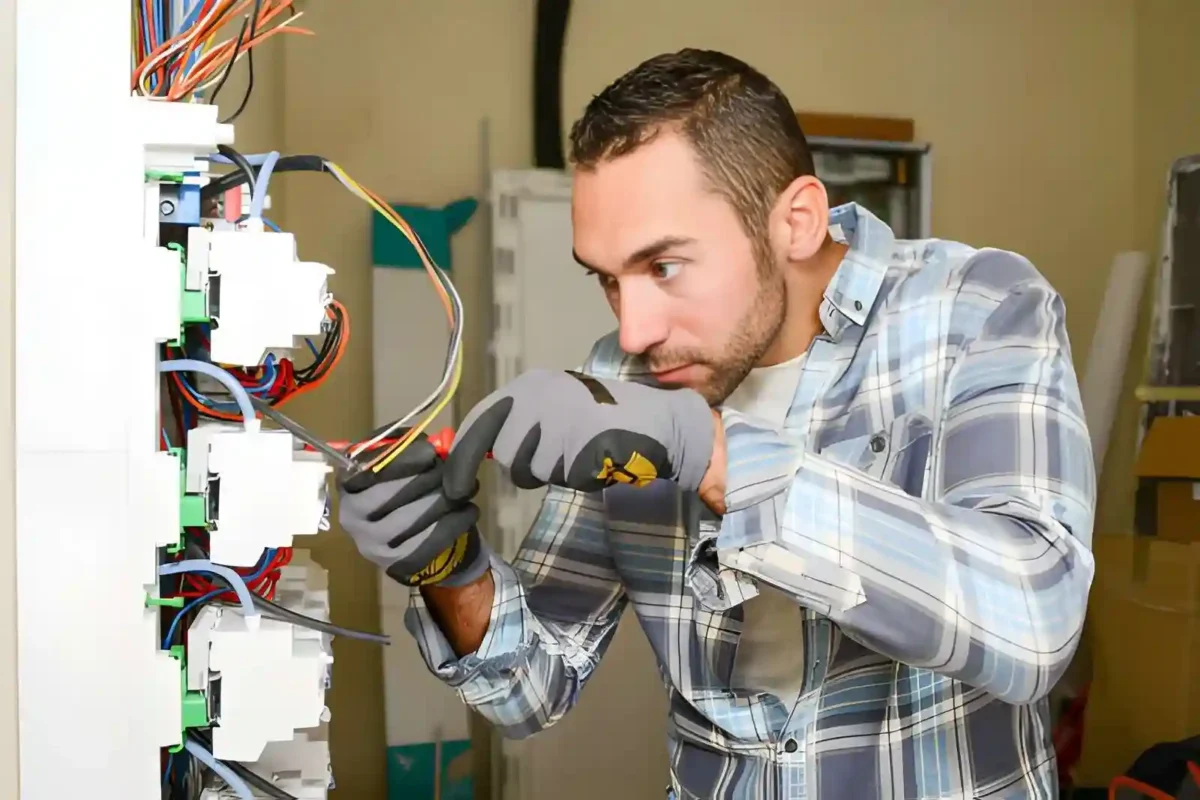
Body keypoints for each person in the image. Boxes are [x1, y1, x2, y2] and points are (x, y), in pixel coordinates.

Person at [338, 48, 1097, 799]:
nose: (632, 332)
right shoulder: (623, 377)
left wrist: (707, 450)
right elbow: (529, 689)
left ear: (796, 220)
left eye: (663, 267)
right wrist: (453, 569)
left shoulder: (980, 310)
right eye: (608, 279)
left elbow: (1035, 624)